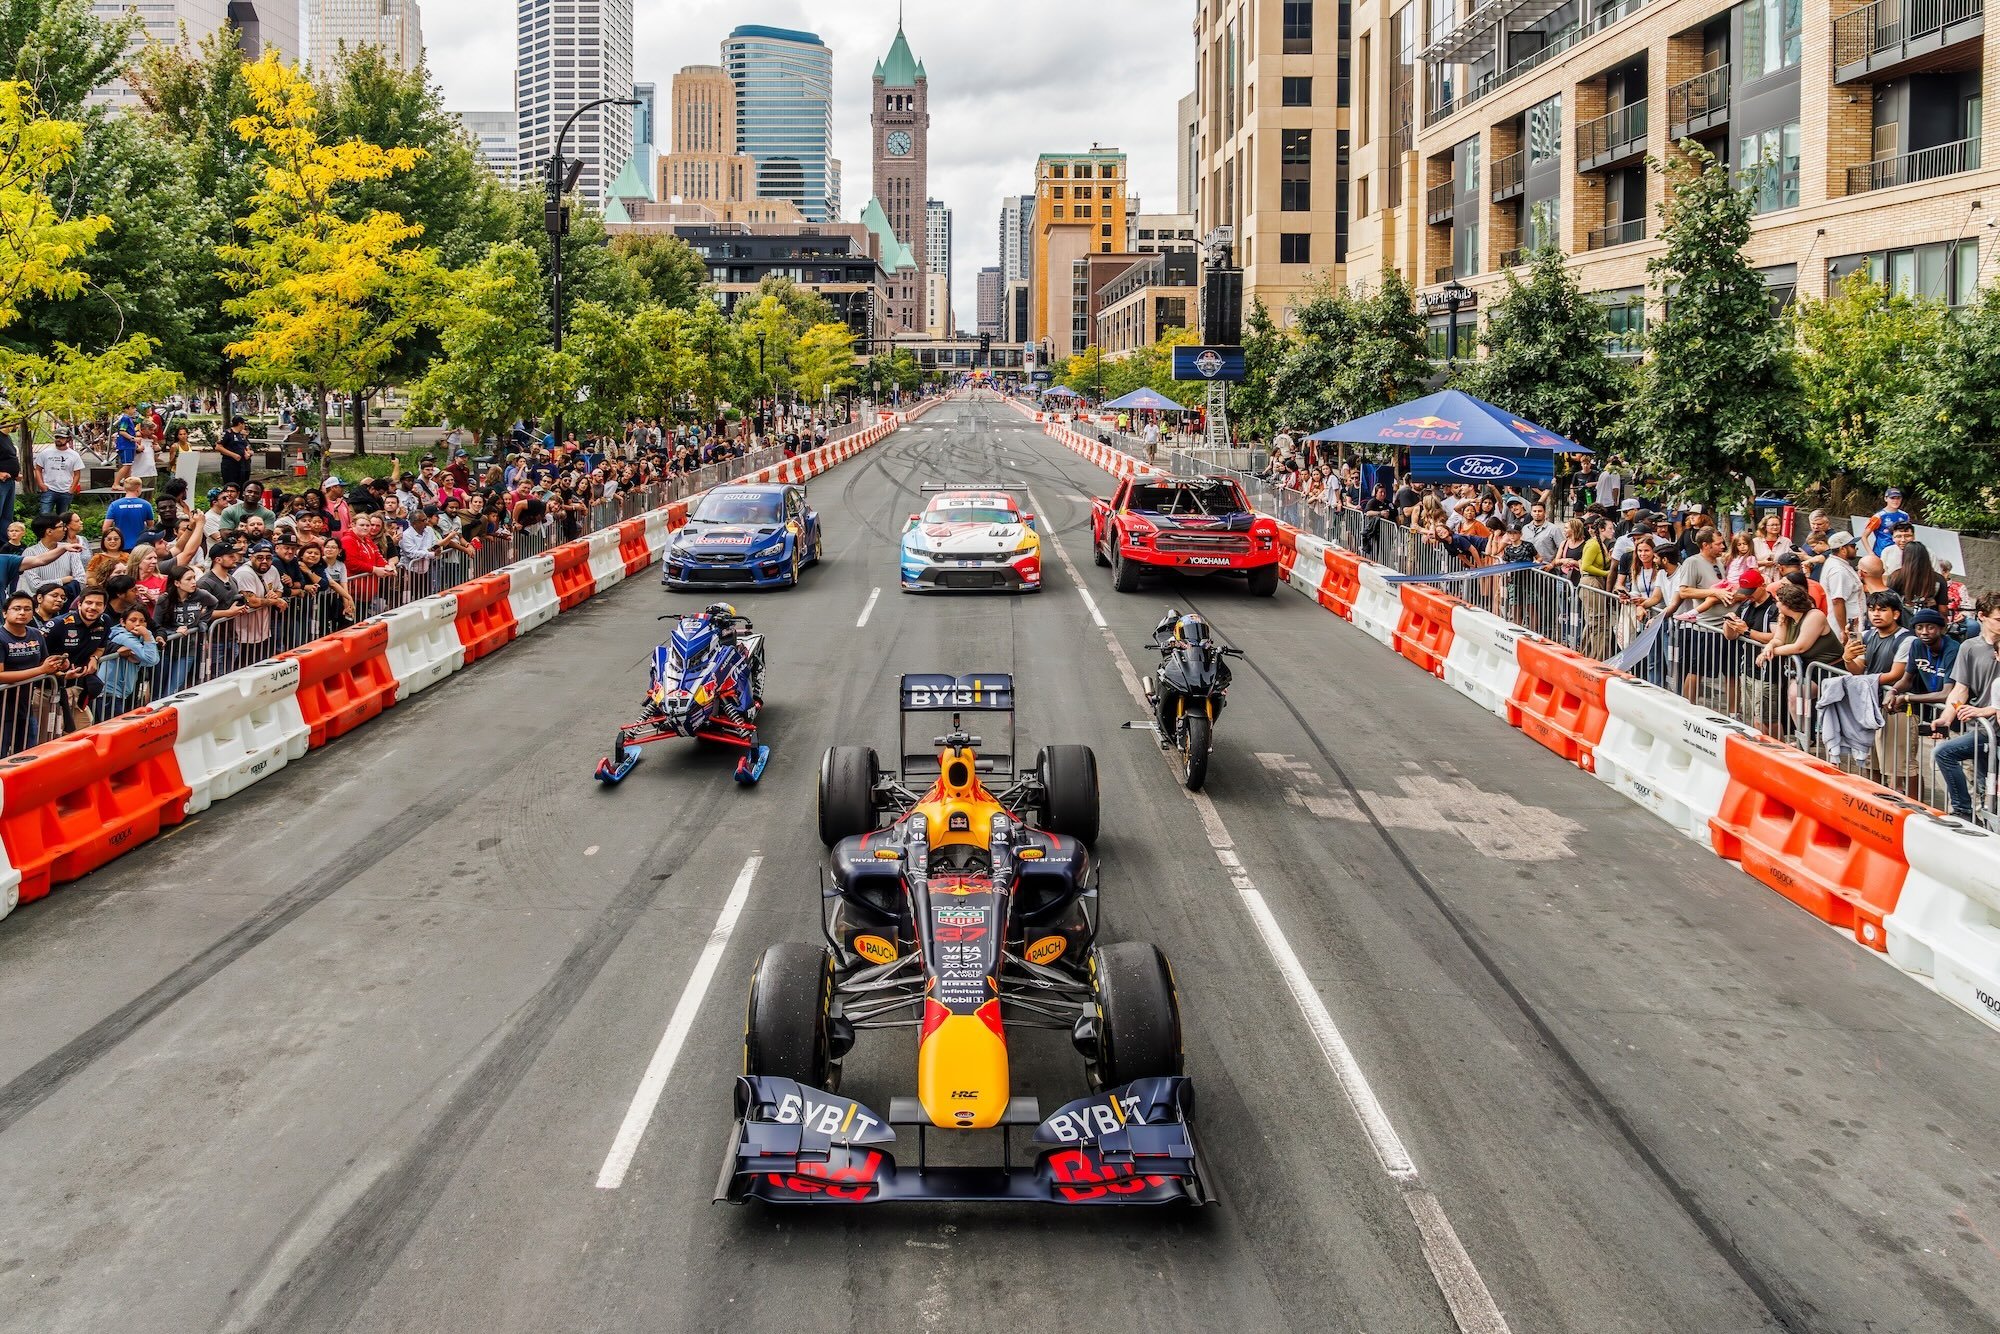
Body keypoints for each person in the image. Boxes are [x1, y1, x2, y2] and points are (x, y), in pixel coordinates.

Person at [1925, 592, 2000, 819]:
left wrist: (1985, 710)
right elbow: (1960, 689)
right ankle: (1965, 812)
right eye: (1998, 619)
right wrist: (1946, 718)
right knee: (1980, 783)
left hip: (1991, 726)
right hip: (1982, 729)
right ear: (1982, 616)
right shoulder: (1970, 647)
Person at [1149, 608, 1232, 742]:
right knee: (1163, 673)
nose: (1196, 636)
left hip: (1199, 674)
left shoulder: (1208, 651)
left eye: (1200, 631)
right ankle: (1158, 700)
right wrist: (1168, 645)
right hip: (1181, 668)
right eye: (1190, 631)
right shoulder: (1173, 645)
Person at [0, 590, 64, 752]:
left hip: (24, 706)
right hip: (2, 708)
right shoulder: (1, 637)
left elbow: (44, 662)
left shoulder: (36, 634)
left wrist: (58, 666)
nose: (22, 612)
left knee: (27, 752)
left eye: (27, 609)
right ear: (4, 613)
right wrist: (41, 670)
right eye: (17, 608)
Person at [45, 585, 110, 730]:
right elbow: (38, 656)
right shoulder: (59, 624)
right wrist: (60, 673)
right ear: (79, 604)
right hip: (48, 689)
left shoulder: (105, 621)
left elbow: (101, 647)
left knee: (85, 728)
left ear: (104, 607)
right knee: (51, 735)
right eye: (89, 602)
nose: (93, 607)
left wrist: (94, 658)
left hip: (77, 688)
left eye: (98, 604)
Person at [95, 605, 160, 720]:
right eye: (133, 620)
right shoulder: (124, 637)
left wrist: (139, 660)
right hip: (110, 691)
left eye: (142, 621)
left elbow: (150, 660)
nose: (138, 624)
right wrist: (147, 635)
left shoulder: (136, 638)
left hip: (119, 691)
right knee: (113, 727)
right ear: (123, 622)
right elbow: (152, 659)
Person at [1818, 531, 1864, 643]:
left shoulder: (1835, 563)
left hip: (1851, 623)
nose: (1856, 549)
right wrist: (1844, 631)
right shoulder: (1838, 570)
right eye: (1852, 546)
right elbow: (1837, 601)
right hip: (1848, 626)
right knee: (1852, 656)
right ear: (1843, 549)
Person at [34, 430, 83, 516]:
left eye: (62, 437)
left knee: (63, 518)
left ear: (67, 439)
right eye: (57, 437)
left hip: (66, 490)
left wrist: (72, 489)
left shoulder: (74, 455)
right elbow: (38, 469)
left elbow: (77, 474)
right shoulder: (46, 453)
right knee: (44, 516)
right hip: (49, 489)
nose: (58, 439)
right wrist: (41, 484)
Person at [105, 477, 156, 551]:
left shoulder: (114, 505)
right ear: (138, 488)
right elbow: (151, 526)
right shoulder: (146, 505)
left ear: (125, 489)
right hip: (140, 546)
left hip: (120, 545)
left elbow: (106, 527)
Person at [1863, 487, 1912, 558]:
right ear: (1886, 499)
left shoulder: (1905, 516)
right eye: (1892, 498)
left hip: (1900, 553)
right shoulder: (1878, 516)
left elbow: (1909, 534)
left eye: (1898, 498)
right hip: (1882, 553)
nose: (1896, 501)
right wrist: (1871, 554)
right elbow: (1864, 536)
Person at [218, 416, 252, 489]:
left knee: (242, 486)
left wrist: (248, 453)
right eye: (243, 423)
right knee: (231, 486)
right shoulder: (227, 433)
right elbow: (218, 447)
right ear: (240, 424)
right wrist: (233, 455)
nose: (244, 425)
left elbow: (245, 446)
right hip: (230, 465)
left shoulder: (241, 435)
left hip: (242, 465)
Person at [111, 405, 139, 486]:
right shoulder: (125, 418)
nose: (135, 410)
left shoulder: (128, 418)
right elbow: (122, 431)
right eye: (133, 408)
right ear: (126, 409)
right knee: (126, 465)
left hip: (129, 445)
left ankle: (128, 484)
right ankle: (116, 484)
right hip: (125, 445)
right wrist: (133, 438)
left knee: (129, 466)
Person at [0, 420, 20, 529]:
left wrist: (16, 473)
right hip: (1, 482)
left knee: (7, 516)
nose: (17, 426)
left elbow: (9, 457)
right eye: (16, 422)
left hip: (10, 481)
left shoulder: (7, 437)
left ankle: (4, 543)